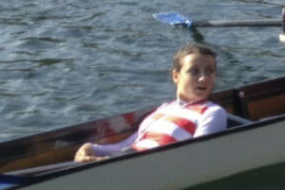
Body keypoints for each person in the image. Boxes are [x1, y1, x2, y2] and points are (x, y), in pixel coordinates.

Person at [74, 44, 226, 162]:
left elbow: (195, 156)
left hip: (139, 166)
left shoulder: (212, 112)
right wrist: (93, 149)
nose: (203, 78)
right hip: (126, 159)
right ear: (176, 76)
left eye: (209, 71)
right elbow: (125, 146)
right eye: (194, 71)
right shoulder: (164, 109)